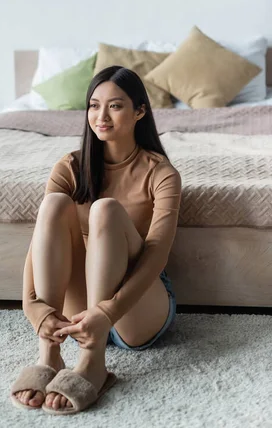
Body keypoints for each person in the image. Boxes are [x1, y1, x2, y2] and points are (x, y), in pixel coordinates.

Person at [10, 65, 182, 415]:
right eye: (93, 105)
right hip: (78, 310)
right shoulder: (70, 166)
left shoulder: (161, 173)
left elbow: (156, 256)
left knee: (105, 210)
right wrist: (33, 306)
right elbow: (38, 243)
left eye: (115, 106)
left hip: (135, 309)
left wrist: (108, 311)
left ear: (140, 111)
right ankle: (49, 355)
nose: (101, 116)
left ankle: (93, 362)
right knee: (55, 203)